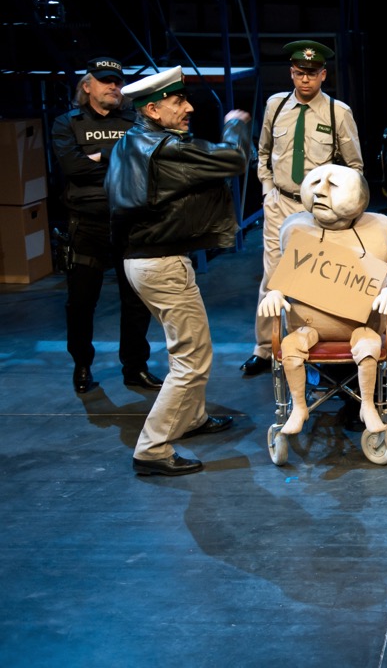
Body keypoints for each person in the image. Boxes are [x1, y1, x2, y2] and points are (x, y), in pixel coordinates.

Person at [105, 66, 251, 476]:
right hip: (162, 263)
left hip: (144, 260)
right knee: (192, 358)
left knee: (188, 347)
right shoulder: (166, 149)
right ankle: (152, 449)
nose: (188, 108)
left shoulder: (129, 141)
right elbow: (233, 159)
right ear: (152, 109)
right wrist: (235, 125)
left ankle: (192, 418)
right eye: (178, 101)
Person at [242, 40, 364, 377]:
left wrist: (340, 206)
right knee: (272, 278)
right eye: (299, 73)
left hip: (318, 210)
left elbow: (354, 166)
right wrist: (268, 190)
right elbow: (263, 151)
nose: (305, 79)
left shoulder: (338, 112)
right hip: (280, 203)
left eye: (312, 73)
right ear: (291, 73)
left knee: (319, 279)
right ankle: (265, 349)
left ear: (323, 74)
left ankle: (319, 345)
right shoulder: (276, 105)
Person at [257, 164, 387, 437]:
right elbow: (283, 276)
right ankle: (299, 407)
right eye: (315, 183)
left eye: (332, 185)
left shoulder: (376, 231)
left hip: (360, 325)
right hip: (308, 327)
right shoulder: (295, 230)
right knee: (291, 346)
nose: (320, 192)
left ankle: (367, 405)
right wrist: (274, 293)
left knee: (369, 345)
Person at [50, 57, 161, 394]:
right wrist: (117, 156)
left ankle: (135, 367)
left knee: (136, 301)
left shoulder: (134, 120)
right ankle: (82, 365)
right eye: (105, 81)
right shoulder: (67, 123)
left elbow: (146, 161)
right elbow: (73, 168)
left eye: (117, 81)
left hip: (130, 222)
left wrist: (98, 156)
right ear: (87, 86)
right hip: (87, 225)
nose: (114, 86)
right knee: (81, 303)